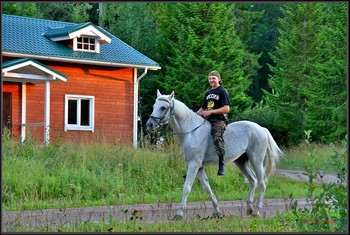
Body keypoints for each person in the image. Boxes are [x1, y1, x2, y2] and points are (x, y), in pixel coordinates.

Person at [197, 70, 231, 176]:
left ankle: (222, 164)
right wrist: (192, 115)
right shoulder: (207, 93)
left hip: (219, 120)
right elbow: (202, 109)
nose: (211, 80)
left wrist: (210, 111)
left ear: (219, 79)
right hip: (207, 119)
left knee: (217, 137)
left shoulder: (222, 91)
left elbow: (226, 108)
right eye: (210, 78)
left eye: (213, 78)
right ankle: (196, 163)